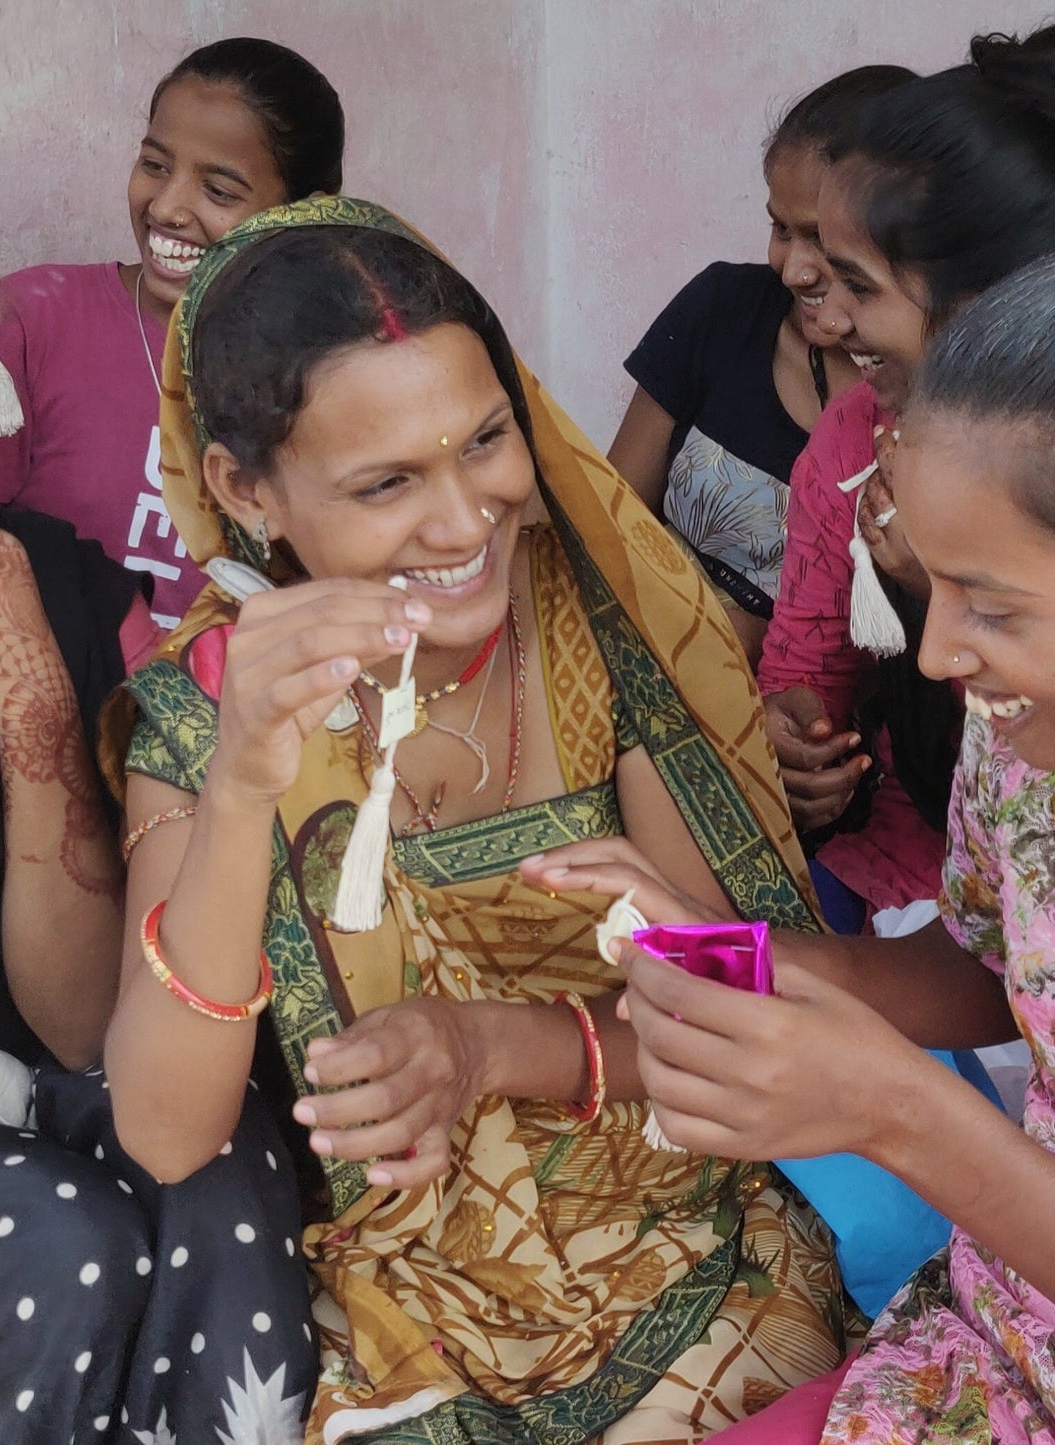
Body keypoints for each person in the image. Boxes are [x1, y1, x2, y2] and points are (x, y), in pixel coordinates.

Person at [538, 143, 1055, 1442]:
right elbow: (987, 966)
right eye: (940, 589)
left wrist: (898, 1108)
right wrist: (714, 952)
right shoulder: (1035, 718)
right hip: (995, 1350)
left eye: (992, 606)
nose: (937, 660)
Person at [102, 197, 845, 1443]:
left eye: (486, 440)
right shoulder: (205, 713)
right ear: (247, 488)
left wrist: (492, 1045)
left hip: (685, 1236)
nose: (463, 520)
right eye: (387, 480)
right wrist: (241, 785)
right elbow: (166, 1133)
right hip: (399, 1298)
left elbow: (737, 1004)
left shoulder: (603, 618)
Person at [0, 165, 312, 1444]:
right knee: (55, 1233)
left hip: (40, 1076)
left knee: (215, 1157)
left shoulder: (46, 578)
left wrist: (36, 712)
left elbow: (90, 1020)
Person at [758, 27, 1055, 925]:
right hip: (917, 871)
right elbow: (806, 664)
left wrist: (931, 584)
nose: (829, 312)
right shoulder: (855, 440)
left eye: (859, 284)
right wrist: (795, 743)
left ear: (983, 296)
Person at [0, 37, 344, 629]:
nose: (168, 206)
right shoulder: (31, 320)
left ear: (301, 213)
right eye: (154, 164)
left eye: (219, 191)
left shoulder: (336, 365)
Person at [608, 65, 912, 666]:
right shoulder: (723, 310)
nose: (793, 268)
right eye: (780, 228)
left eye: (822, 240)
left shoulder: (926, 396)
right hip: (651, 664)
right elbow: (610, 520)